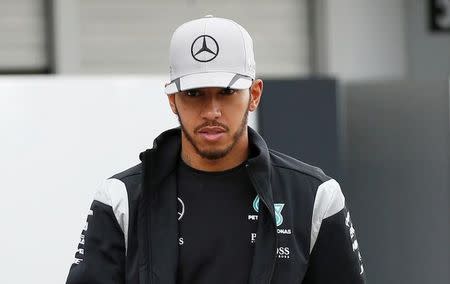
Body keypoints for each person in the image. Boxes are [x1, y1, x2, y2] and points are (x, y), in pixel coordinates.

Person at [66, 16, 366, 284]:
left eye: (226, 92)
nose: (211, 111)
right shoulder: (121, 199)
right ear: (172, 100)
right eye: (194, 94)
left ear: (255, 95)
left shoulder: (315, 197)